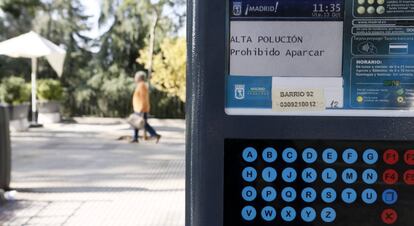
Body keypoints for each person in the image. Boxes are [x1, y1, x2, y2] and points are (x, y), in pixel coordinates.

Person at [131, 71, 161, 143]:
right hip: (139, 108)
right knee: (136, 123)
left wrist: (141, 109)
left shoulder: (142, 86)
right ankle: (135, 138)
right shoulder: (140, 85)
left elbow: (143, 98)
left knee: (144, 124)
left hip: (141, 109)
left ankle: (155, 135)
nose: (135, 78)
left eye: (136, 77)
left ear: (139, 78)